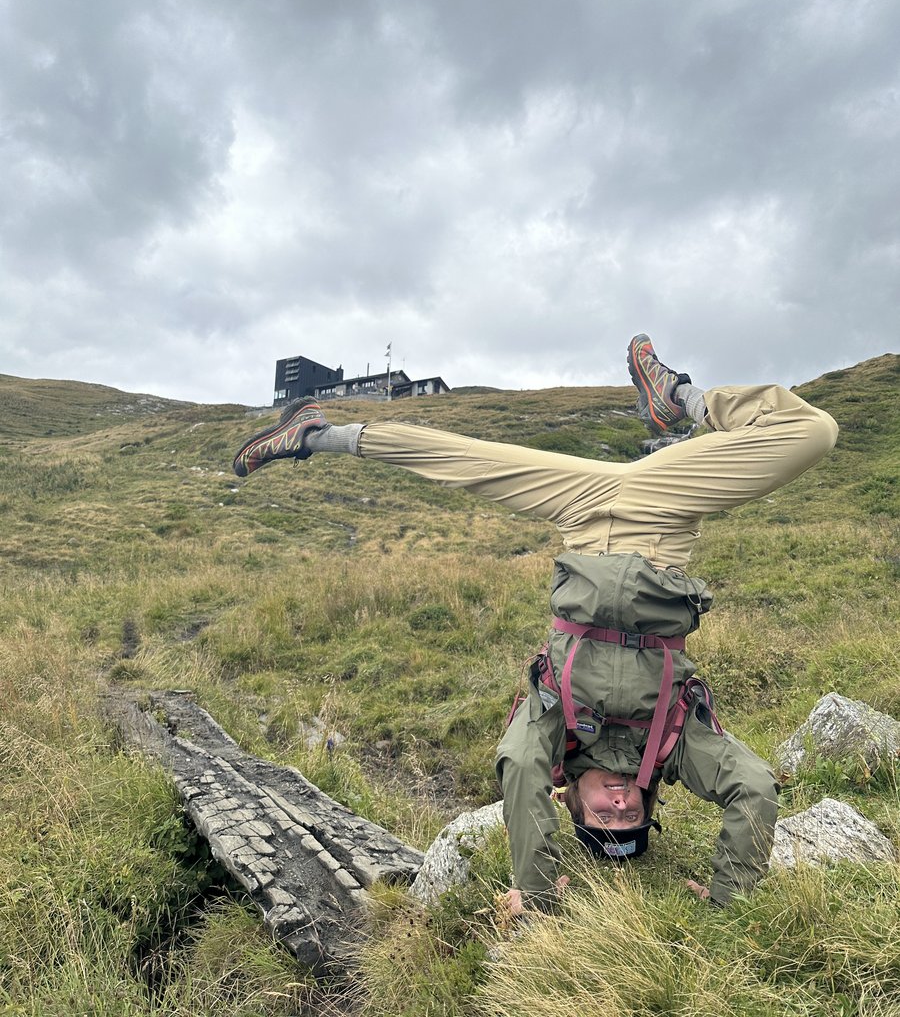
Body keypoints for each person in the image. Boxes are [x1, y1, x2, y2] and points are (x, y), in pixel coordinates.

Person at [232, 334, 838, 912]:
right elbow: (753, 788)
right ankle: (677, 396)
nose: (620, 803)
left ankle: (313, 432)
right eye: (632, 814)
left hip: (580, 512)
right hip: (662, 514)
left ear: (569, 800)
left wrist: (537, 892)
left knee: (461, 460)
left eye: (605, 816)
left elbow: (520, 769)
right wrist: (733, 899)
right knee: (814, 431)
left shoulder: (553, 738)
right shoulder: (674, 748)